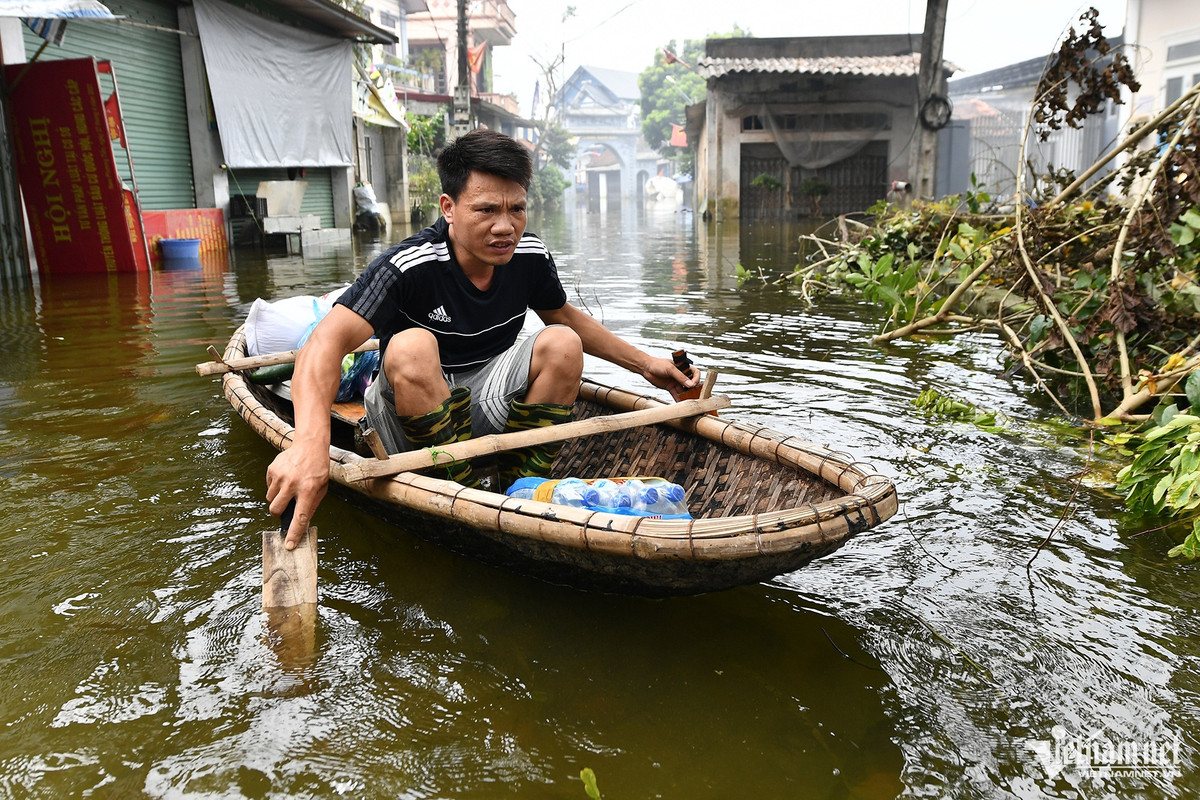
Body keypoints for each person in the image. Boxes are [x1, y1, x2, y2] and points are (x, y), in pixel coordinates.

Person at [266, 129, 697, 549]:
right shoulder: (408, 264)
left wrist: (647, 365)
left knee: (562, 341)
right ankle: (462, 488)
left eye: (516, 210)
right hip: (408, 417)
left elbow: (563, 315)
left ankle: (520, 486)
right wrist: (310, 444)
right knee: (412, 345)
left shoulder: (528, 256)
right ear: (449, 207)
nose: (505, 227)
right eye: (486, 210)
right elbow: (322, 346)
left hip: (487, 400)